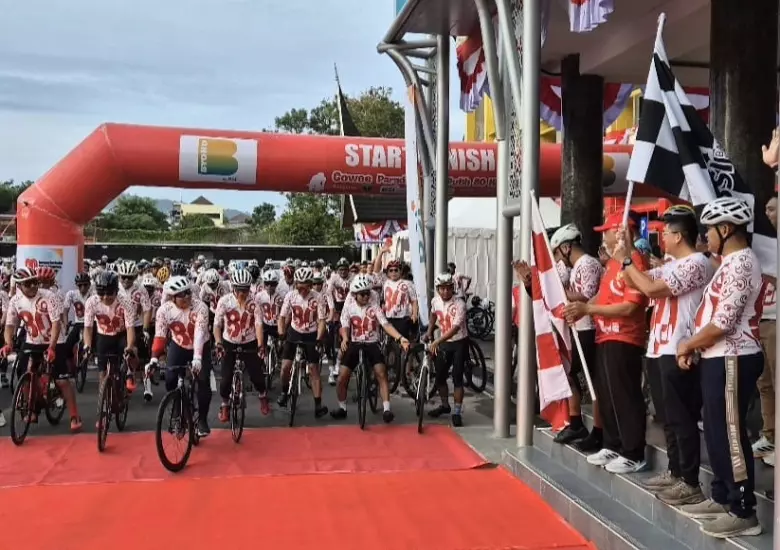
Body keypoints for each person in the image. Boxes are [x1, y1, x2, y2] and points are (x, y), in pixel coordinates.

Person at [676, 197, 764, 538]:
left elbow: (725, 322)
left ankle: (744, 510)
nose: (705, 236)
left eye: (709, 230)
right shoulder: (727, 262)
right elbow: (710, 317)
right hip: (717, 356)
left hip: (734, 355)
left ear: (726, 229)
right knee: (713, 430)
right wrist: (695, 348)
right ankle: (724, 495)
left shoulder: (741, 263)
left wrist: (688, 344)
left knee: (729, 432)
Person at [616, 204, 713, 506]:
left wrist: (625, 261)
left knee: (682, 417)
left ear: (679, 236)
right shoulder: (672, 263)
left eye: (665, 232)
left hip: (680, 347)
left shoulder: (697, 263)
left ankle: (690, 480)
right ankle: (674, 470)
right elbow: (636, 280)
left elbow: (653, 289)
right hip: (659, 347)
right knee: (668, 418)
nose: (661, 236)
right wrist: (628, 252)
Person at [564, 212, 649, 474]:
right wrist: (583, 308)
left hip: (624, 337)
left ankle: (633, 452)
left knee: (625, 395)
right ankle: (613, 443)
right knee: (607, 394)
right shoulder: (613, 263)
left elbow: (629, 307)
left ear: (622, 232)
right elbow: (602, 297)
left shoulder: (634, 262)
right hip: (605, 335)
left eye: (608, 231)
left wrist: (588, 311)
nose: (604, 236)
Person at [2, 267, 82, 431]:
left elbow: (55, 324)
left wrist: (52, 347)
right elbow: (10, 325)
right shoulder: (15, 301)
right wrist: (8, 343)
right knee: (25, 374)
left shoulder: (49, 297)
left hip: (55, 340)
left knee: (60, 380)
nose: (33, 286)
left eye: (35, 282)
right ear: (19, 286)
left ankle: (74, 415)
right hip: (32, 340)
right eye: (28, 284)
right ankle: (31, 408)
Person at [548, 223, 604, 448]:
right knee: (569, 374)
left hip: (589, 328)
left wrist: (560, 292)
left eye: (559, 252)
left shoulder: (588, 264)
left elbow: (587, 297)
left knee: (592, 380)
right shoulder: (573, 267)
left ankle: (598, 430)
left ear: (566, 247)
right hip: (576, 328)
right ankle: (575, 421)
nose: (559, 258)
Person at [331, 274, 409, 422]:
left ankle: (386, 409)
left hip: (372, 342)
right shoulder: (349, 304)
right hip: (354, 341)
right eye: (362, 294)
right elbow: (345, 325)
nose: (366, 296)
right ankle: (342, 408)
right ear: (355, 295)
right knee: (342, 377)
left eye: (368, 293)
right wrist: (345, 339)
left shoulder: (373, 302)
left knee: (381, 372)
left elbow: (385, 324)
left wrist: (400, 338)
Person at [145, 276, 213, 437]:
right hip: (179, 345)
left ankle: (202, 420)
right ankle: (176, 406)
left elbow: (199, 334)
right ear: (172, 297)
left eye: (188, 292)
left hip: (201, 345)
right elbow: (160, 336)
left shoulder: (200, 307)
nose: (187, 297)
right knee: (170, 378)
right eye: (181, 295)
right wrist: (154, 358)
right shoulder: (164, 311)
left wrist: (197, 357)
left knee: (203, 381)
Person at [213, 269, 270, 418]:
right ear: (233, 288)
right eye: (239, 290)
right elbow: (217, 325)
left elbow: (258, 324)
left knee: (257, 375)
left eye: (245, 290)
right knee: (225, 379)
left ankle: (263, 396)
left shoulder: (254, 302)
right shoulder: (224, 301)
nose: (242, 293)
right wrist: (218, 343)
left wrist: (260, 345)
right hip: (229, 341)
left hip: (249, 342)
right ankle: (224, 404)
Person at [277, 267, 329, 418]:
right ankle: (284, 392)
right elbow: (282, 317)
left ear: (310, 285)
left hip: (311, 334)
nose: (302, 290)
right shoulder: (290, 296)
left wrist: (319, 338)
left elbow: (321, 320)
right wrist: (281, 333)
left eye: (305, 286)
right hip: (294, 332)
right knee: (285, 366)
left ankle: (318, 404)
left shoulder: (318, 297)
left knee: (313, 368)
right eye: (299, 286)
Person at [425, 272, 469, 427]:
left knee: (457, 378)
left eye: (448, 288)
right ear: (437, 289)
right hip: (444, 343)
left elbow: (455, 329)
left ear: (453, 288)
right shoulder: (435, 301)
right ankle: (445, 405)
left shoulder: (460, 304)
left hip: (459, 342)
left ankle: (457, 412)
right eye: (441, 289)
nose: (445, 292)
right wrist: (430, 331)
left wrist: (437, 340)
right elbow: (433, 315)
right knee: (440, 377)